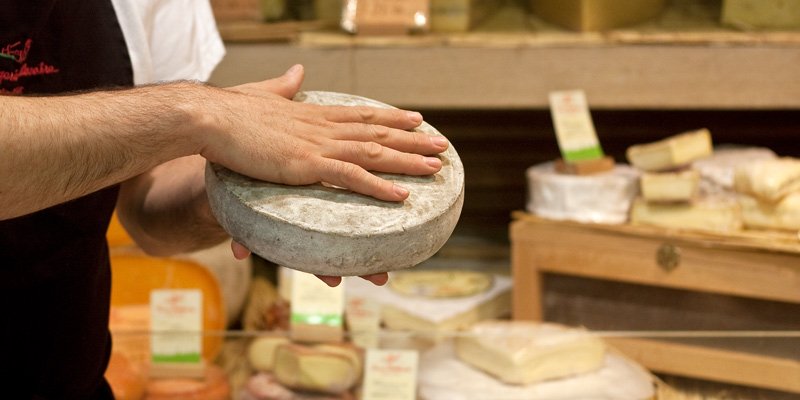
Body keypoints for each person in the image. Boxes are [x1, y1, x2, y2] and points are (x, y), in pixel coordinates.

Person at [0, 0, 448, 398]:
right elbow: (184, 119)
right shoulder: (189, 111)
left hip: (67, 378)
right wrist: (192, 113)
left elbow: (143, 209)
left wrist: (241, 198)